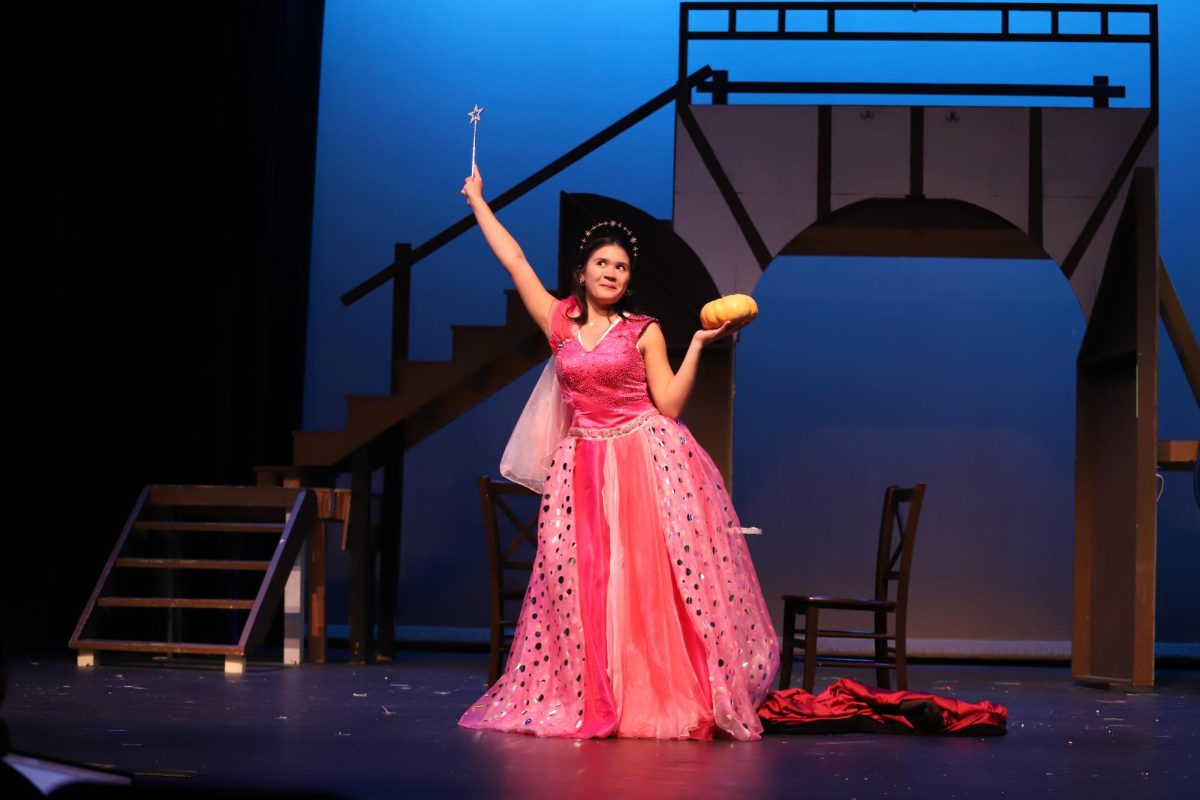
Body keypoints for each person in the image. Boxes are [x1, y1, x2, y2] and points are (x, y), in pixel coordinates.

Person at [457, 165, 778, 740]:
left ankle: (654, 693)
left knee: (647, 581)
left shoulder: (643, 330)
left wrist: (699, 343)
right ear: (581, 273)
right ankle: (594, 691)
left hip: (643, 458)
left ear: (629, 282)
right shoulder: (558, 321)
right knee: (582, 582)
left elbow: (671, 405)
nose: (611, 272)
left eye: (621, 268)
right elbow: (515, 262)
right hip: (581, 465)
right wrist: (478, 202)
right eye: (602, 264)